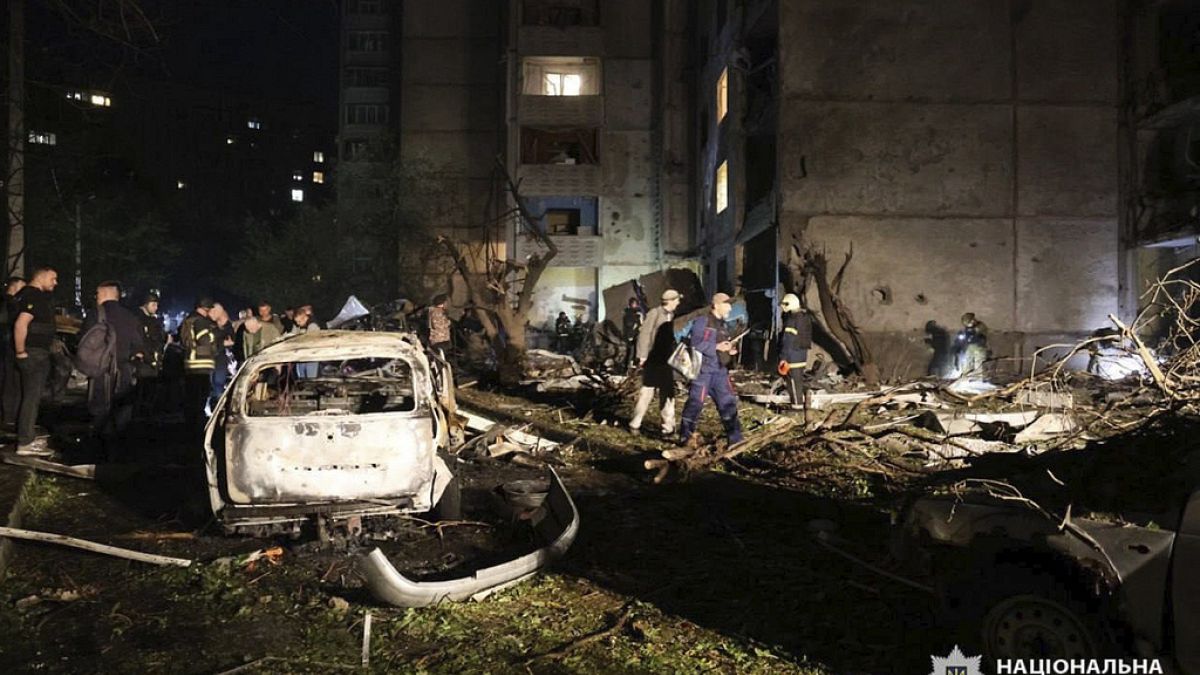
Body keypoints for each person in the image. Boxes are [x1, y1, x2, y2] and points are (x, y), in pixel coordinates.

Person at [85, 281, 144, 457]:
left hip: (100, 371)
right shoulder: (131, 317)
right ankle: (119, 450)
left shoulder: (95, 315)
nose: (96, 297)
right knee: (122, 411)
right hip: (123, 370)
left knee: (99, 410)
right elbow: (138, 346)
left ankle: (97, 451)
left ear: (104, 294)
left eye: (97, 293)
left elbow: (83, 341)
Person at [678, 293, 744, 446]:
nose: (730, 308)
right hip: (704, 372)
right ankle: (685, 438)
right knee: (696, 403)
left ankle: (736, 440)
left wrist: (728, 350)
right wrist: (716, 347)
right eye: (727, 304)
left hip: (720, 372)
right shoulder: (703, 321)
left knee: (728, 403)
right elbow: (695, 344)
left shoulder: (723, 325)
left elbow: (720, 345)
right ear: (716, 305)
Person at [12, 267, 59, 456]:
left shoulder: (23, 295)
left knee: (28, 396)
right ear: (41, 276)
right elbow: (21, 324)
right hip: (33, 353)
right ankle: (25, 442)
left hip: (32, 351)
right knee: (32, 397)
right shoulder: (34, 296)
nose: (55, 283)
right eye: (53, 278)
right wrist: (21, 351)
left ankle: (26, 435)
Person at [629, 289, 681, 437]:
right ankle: (635, 423)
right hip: (653, 359)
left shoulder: (673, 316)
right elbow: (644, 334)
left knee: (668, 393)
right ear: (670, 301)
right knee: (647, 392)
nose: (678, 302)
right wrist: (642, 356)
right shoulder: (655, 313)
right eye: (677, 299)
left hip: (667, 360)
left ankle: (668, 427)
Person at [181, 297, 217, 429]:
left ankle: (190, 422)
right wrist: (216, 342)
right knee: (201, 395)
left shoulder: (189, 319)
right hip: (201, 363)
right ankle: (197, 425)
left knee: (192, 395)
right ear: (205, 309)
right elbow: (205, 340)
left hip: (191, 362)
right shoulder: (201, 321)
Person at [777, 293, 813, 412]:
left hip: (792, 356)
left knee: (792, 381)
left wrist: (783, 357)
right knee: (798, 381)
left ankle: (796, 407)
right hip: (801, 354)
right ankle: (799, 404)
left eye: (784, 304)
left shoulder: (792, 319)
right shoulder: (805, 317)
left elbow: (788, 340)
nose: (782, 307)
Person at [135, 292, 167, 415]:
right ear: (145, 304)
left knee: (150, 392)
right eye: (153, 304)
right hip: (144, 362)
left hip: (153, 361)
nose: (156, 308)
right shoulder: (138, 320)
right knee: (142, 392)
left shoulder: (153, 320)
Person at [1, 276, 26, 428]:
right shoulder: (12, 304)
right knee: (11, 383)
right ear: (14, 287)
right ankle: (10, 416)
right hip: (8, 347)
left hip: (5, 346)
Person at [208, 303, 235, 411]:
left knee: (218, 383)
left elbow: (231, 340)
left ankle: (217, 407)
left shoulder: (226, 325)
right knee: (212, 383)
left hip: (220, 359)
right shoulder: (209, 324)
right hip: (211, 357)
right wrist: (222, 343)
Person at [955, 312, 989, 377]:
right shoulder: (967, 328)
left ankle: (978, 379)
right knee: (967, 363)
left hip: (979, 348)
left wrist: (974, 332)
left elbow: (981, 334)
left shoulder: (980, 326)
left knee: (979, 365)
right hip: (969, 347)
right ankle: (966, 377)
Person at [622, 297, 643, 371]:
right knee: (630, 351)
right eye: (633, 304)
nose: (634, 305)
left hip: (637, 334)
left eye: (635, 304)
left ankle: (634, 365)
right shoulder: (628, 314)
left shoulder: (638, 313)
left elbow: (640, 324)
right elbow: (628, 325)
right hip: (630, 335)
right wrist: (629, 335)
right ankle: (627, 367)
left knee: (636, 351)